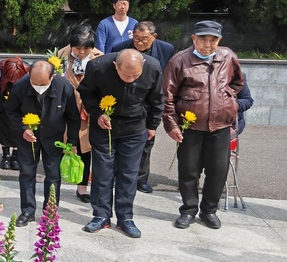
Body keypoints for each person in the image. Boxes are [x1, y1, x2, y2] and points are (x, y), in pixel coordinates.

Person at [163, 20, 243, 230]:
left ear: (220, 40)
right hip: (190, 127)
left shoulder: (228, 57)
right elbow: (167, 97)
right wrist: (171, 125)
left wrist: (229, 100)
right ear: (193, 39)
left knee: (218, 170)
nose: (208, 44)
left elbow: (238, 83)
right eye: (203, 39)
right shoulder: (179, 61)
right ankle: (188, 210)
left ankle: (209, 210)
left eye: (213, 39)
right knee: (189, 170)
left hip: (220, 125)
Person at [78, 49, 163, 238]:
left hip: (134, 127)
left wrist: (152, 125)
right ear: (115, 66)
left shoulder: (153, 67)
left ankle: (125, 217)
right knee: (102, 172)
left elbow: (157, 99)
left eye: (136, 75)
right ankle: (101, 215)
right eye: (126, 75)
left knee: (129, 173)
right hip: (104, 126)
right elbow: (86, 92)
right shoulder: (98, 66)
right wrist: (97, 114)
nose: (131, 79)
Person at [5, 61, 80, 226]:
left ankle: (50, 212)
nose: (38, 86)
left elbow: (73, 117)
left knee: (53, 176)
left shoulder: (64, 87)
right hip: (27, 138)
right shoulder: (20, 86)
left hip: (54, 138)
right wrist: (23, 129)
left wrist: (72, 142)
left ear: (52, 77)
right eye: (34, 83)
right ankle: (27, 211)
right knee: (26, 174)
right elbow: (10, 111)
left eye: (43, 84)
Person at [112, 21, 176, 194]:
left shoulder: (167, 49)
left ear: (154, 37)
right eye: (136, 38)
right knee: (121, 143)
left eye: (144, 39)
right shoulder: (119, 48)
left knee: (146, 142)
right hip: (126, 101)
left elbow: (168, 76)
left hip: (151, 101)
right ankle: (118, 177)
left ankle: (141, 179)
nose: (139, 43)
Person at [59, 25, 104, 203]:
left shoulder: (99, 58)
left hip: (88, 110)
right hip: (64, 109)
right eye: (78, 48)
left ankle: (82, 187)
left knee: (84, 148)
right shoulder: (59, 55)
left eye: (86, 48)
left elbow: (103, 86)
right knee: (62, 146)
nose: (82, 52)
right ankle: (55, 182)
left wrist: (91, 105)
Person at [0, 57, 30, 170]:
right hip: (3, 103)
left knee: (18, 129)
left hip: (20, 105)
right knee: (3, 130)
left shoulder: (26, 71)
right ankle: (5, 155)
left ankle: (16, 155)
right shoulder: (0, 69)